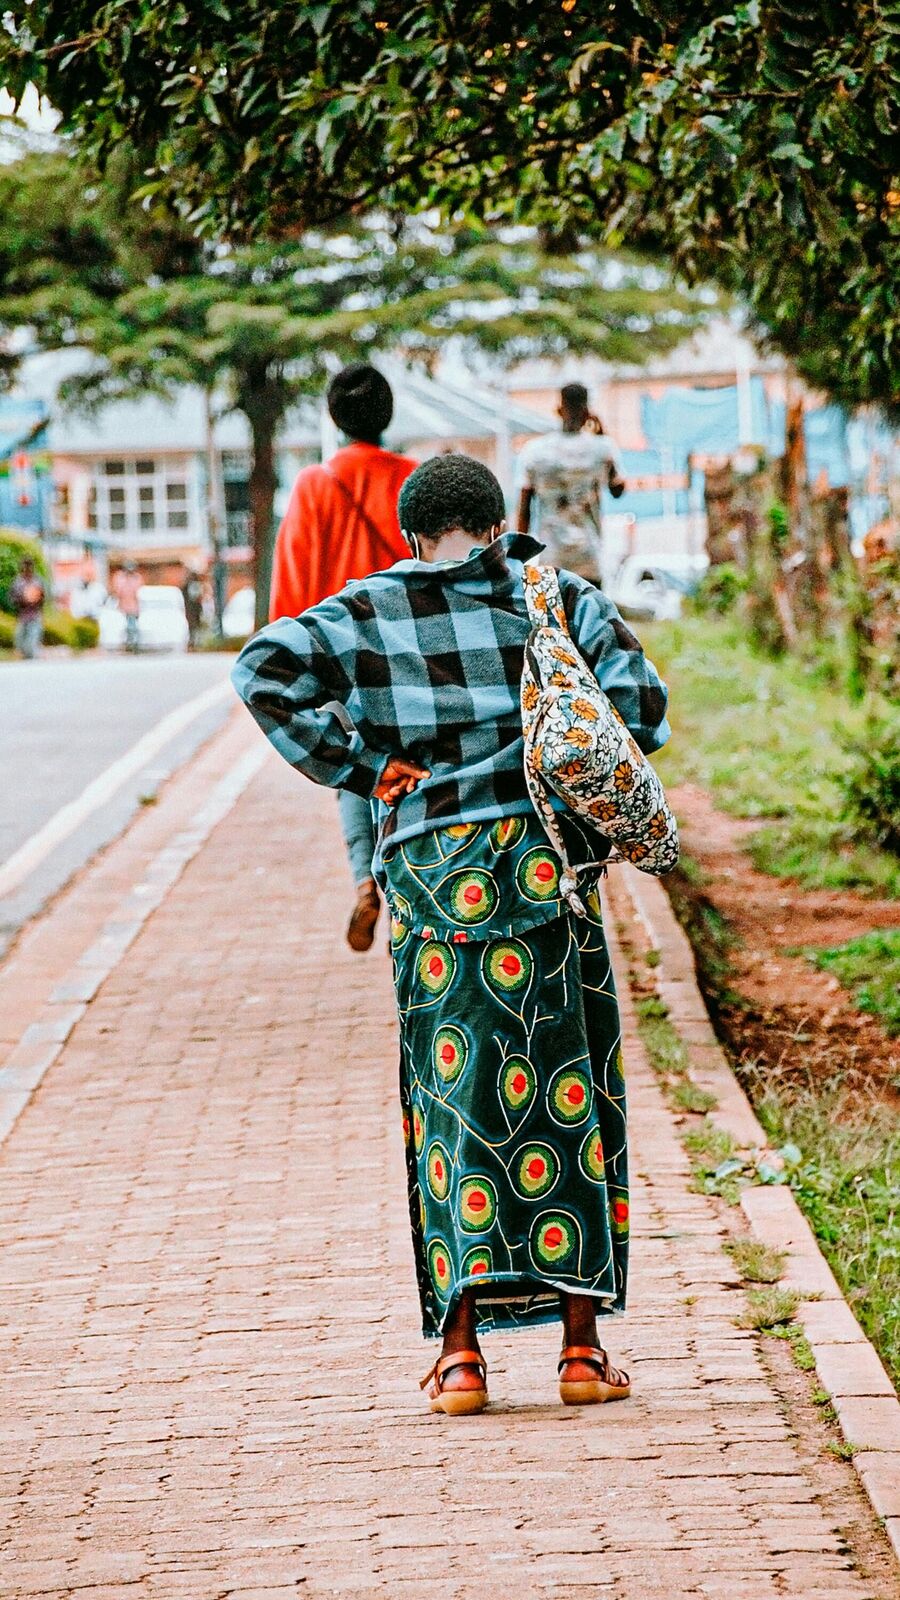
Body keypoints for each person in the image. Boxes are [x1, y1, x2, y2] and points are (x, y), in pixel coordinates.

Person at [233, 453, 670, 1416]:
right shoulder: (560, 597)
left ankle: (464, 1361)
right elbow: (642, 710)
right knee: (567, 1092)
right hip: (544, 868)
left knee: (451, 1097)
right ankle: (582, 1355)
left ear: (411, 536)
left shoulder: (365, 610)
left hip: (432, 878)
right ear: (496, 516)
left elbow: (259, 669)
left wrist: (362, 764)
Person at [269, 362, 417, 952]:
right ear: (388, 415)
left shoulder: (314, 485)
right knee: (417, 769)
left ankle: (366, 880)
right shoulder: (414, 480)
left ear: (334, 417)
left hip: (340, 666)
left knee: (358, 776)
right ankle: (410, 886)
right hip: (410, 657)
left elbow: (290, 595)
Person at [516, 381, 626, 585]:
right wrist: (601, 434)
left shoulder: (535, 451)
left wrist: (517, 558)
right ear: (587, 413)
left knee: (548, 618)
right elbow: (618, 489)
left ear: (559, 410)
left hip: (550, 560)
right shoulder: (602, 449)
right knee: (590, 617)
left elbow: (524, 510)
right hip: (589, 558)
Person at [10, 556, 46, 659]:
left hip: (35, 615)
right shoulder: (18, 582)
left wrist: (36, 598)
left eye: (29, 566)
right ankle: (26, 657)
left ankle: (33, 658)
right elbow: (12, 598)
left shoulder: (37, 581)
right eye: (25, 566)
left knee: (32, 640)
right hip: (23, 616)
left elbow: (43, 598)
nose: (27, 569)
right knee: (19, 639)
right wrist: (23, 599)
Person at [112, 561, 142, 651]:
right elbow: (118, 591)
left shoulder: (136, 578)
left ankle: (133, 643)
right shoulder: (120, 578)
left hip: (133, 607)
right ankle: (128, 643)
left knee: (133, 626)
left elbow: (138, 591)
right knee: (126, 627)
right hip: (122, 607)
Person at [182, 569, 205, 650]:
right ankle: (193, 643)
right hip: (192, 610)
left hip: (194, 610)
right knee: (193, 627)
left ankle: (195, 643)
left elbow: (198, 597)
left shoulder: (194, 585)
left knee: (194, 627)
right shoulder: (191, 586)